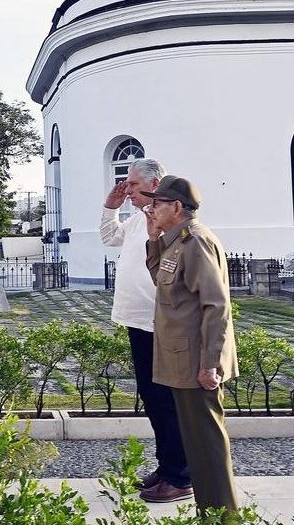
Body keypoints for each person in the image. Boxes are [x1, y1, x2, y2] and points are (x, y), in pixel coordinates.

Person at [142, 175, 239, 517]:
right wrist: (153, 239)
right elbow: (163, 283)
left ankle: (223, 517)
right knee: (196, 445)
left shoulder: (196, 241)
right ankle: (209, 513)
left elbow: (216, 305)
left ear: (177, 207)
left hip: (198, 362)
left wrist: (210, 363)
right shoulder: (174, 242)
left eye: (157, 204)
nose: (150, 209)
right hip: (183, 361)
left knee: (207, 444)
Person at [100, 159, 192, 503]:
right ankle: (167, 465)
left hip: (162, 324)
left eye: (133, 186)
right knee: (153, 400)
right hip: (137, 320)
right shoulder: (140, 218)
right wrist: (111, 207)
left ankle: (181, 476)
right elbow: (110, 237)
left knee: (167, 401)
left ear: (156, 184)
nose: (127, 191)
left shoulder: (170, 221)